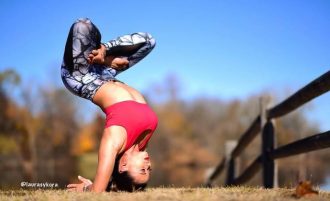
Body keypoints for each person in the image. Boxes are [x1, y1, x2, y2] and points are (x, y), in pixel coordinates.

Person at [61, 18, 157, 192]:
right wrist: (105, 55)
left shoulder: (115, 140)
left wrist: (87, 188)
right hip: (105, 72)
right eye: (149, 170)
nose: (148, 164)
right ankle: (102, 53)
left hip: (79, 76)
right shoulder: (142, 143)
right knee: (149, 41)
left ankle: (98, 54)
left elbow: (97, 191)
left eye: (143, 169)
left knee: (83, 26)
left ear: (123, 166)